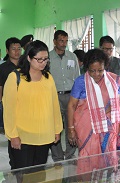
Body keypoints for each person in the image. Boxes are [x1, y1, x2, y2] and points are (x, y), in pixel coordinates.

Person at [2, 40, 62, 170]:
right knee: (23, 176)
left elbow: (54, 105)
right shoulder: (15, 77)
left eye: (46, 59)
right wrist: (13, 135)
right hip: (23, 138)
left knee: (38, 175)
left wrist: (57, 129)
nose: (43, 63)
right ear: (29, 58)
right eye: (39, 59)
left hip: (44, 135)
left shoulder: (48, 77)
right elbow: (9, 109)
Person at [67, 48, 120, 174]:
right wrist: (71, 129)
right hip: (87, 128)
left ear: (105, 66)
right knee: (88, 159)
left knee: (109, 162)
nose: (96, 74)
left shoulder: (112, 80)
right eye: (92, 71)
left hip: (110, 128)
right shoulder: (81, 81)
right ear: (87, 68)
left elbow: (118, 101)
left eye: (100, 70)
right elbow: (71, 105)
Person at [49, 30, 80, 161]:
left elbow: (77, 77)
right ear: (55, 41)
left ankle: (70, 154)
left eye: (66, 41)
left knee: (71, 125)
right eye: (61, 41)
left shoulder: (72, 57)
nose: (64, 44)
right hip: (53, 96)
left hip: (70, 96)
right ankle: (57, 156)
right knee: (54, 126)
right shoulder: (48, 57)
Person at [99, 35, 120, 110]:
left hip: (116, 100)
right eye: (105, 49)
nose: (108, 52)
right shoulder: (95, 63)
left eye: (110, 49)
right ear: (100, 48)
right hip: (99, 101)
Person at [0, 37, 22, 133]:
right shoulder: (2, 68)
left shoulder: (26, 66)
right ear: (7, 51)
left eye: (19, 49)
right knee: (12, 131)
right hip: (9, 103)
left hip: (24, 102)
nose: (17, 51)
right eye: (13, 49)